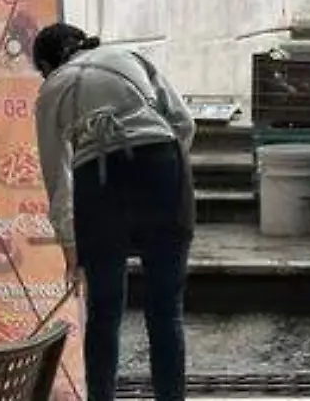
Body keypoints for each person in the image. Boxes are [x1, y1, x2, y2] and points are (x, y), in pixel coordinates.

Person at [33, 24, 196, 401]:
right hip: (162, 166)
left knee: (104, 311)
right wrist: (168, 170)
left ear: (46, 64)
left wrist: (70, 245)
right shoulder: (129, 56)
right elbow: (184, 123)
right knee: (166, 309)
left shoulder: (51, 88)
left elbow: (58, 179)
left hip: (100, 183)